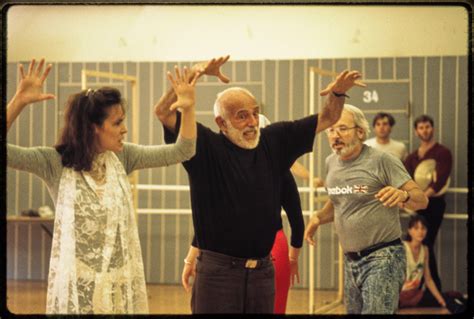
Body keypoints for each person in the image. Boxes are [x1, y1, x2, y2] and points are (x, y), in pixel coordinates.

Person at [156, 64, 365, 313]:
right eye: (242, 116)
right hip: (218, 275)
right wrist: (193, 75)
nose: (252, 122)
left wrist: (338, 93)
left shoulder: (274, 140)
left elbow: (328, 117)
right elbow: (163, 113)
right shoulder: (205, 147)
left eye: (255, 113)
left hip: (263, 273)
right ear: (221, 122)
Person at [6, 59, 199, 314]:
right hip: (77, 290)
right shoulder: (54, 162)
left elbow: (183, 150)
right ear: (93, 127)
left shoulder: (124, 157)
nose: (125, 129)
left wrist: (189, 108)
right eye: (117, 123)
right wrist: (18, 101)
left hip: (118, 288)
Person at [304, 104, 428, 314]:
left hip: (383, 257)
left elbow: (422, 199)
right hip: (351, 260)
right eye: (331, 130)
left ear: (360, 132)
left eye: (342, 128)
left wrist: (404, 195)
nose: (335, 135)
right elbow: (340, 201)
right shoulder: (331, 163)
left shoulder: (383, 160)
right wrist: (317, 218)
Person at [181, 113, 306, 314]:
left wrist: (191, 258)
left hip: (249, 252)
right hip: (266, 247)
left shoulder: (230, 170)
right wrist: (293, 258)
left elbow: (210, 224)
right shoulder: (277, 170)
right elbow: (297, 221)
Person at [404, 114, 452, 294]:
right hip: (416, 205)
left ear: (432, 128)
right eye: (421, 127)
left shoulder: (443, 152)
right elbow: (405, 179)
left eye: (427, 127)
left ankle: (433, 289)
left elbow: (440, 181)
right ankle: (415, 288)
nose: (425, 130)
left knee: (426, 244)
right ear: (416, 132)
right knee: (415, 245)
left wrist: (422, 198)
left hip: (434, 204)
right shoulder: (411, 157)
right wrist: (408, 201)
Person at [399, 214, 446, 309]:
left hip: (415, 294)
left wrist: (441, 301)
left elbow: (428, 279)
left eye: (423, 228)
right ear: (410, 231)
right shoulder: (402, 247)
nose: (420, 232)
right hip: (399, 294)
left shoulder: (425, 250)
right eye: (416, 228)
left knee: (443, 300)